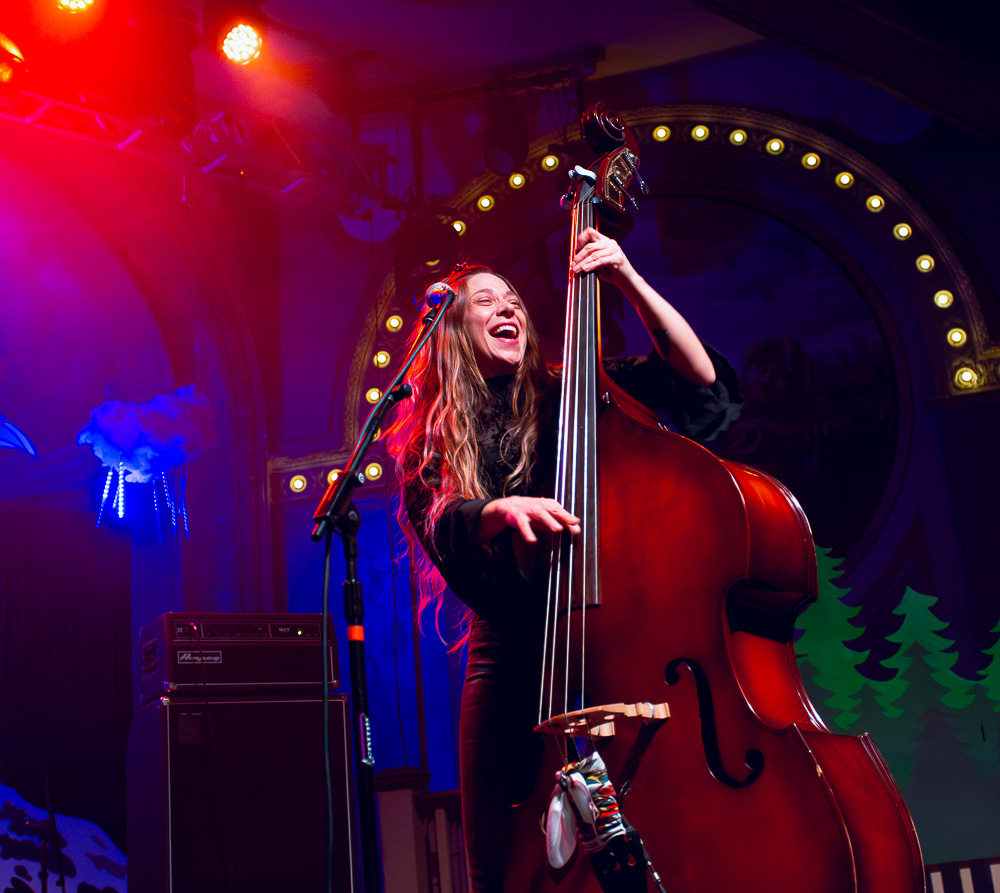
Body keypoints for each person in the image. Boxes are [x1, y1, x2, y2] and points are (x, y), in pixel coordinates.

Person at [384, 227, 741, 892]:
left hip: (625, 641)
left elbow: (701, 382)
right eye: (486, 301)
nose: (508, 308)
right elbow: (442, 519)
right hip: (516, 656)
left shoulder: (575, 395)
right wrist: (497, 510)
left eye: (514, 299)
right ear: (452, 330)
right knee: (504, 860)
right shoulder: (433, 436)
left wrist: (628, 278)